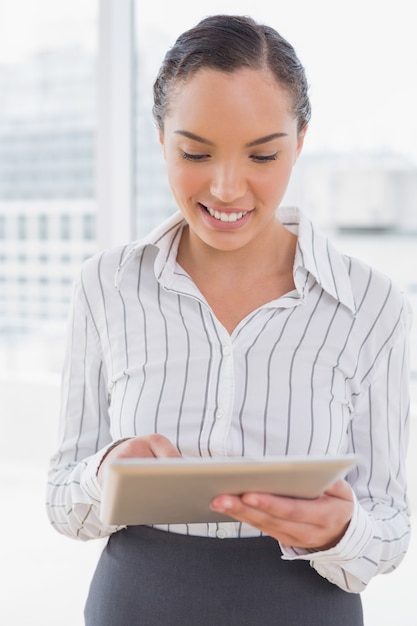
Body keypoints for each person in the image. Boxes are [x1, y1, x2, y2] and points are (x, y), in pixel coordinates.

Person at [46, 14, 412, 626]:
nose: (226, 187)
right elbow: (63, 501)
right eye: (195, 151)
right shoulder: (105, 286)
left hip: (304, 605)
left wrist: (343, 530)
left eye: (262, 154)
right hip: (138, 601)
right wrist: (105, 474)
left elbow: (391, 527)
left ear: (301, 140)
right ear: (160, 135)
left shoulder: (372, 305)